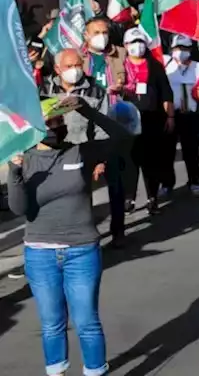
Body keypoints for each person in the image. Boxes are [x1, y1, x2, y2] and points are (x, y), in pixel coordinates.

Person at [8, 96, 134, 376]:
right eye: (48, 122)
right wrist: (15, 171)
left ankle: (95, 370)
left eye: (58, 120)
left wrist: (86, 110)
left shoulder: (81, 153)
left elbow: (123, 137)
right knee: (52, 322)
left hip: (82, 250)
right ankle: (57, 371)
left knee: (86, 320)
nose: (55, 126)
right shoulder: (24, 159)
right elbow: (19, 209)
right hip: (40, 254)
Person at [40, 48, 127, 245]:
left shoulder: (95, 90)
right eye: (69, 66)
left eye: (78, 65)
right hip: (62, 152)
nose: (74, 70)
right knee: (76, 197)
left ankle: (118, 232)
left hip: (92, 148)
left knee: (114, 186)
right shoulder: (46, 91)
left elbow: (103, 125)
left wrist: (101, 160)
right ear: (57, 69)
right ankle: (80, 237)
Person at [121, 26, 175, 213]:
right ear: (125, 45)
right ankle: (129, 198)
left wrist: (170, 116)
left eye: (141, 42)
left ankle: (152, 197)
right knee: (130, 160)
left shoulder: (155, 65)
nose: (137, 46)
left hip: (152, 119)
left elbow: (166, 93)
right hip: (127, 121)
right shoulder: (120, 66)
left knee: (151, 161)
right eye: (133, 42)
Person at [165, 35, 199, 196]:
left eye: (183, 48)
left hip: (191, 114)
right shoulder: (167, 65)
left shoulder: (198, 67)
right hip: (171, 114)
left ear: (190, 50)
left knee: (191, 150)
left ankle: (194, 180)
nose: (180, 52)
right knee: (168, 151)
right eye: (177, 49)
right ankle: (167, 183)